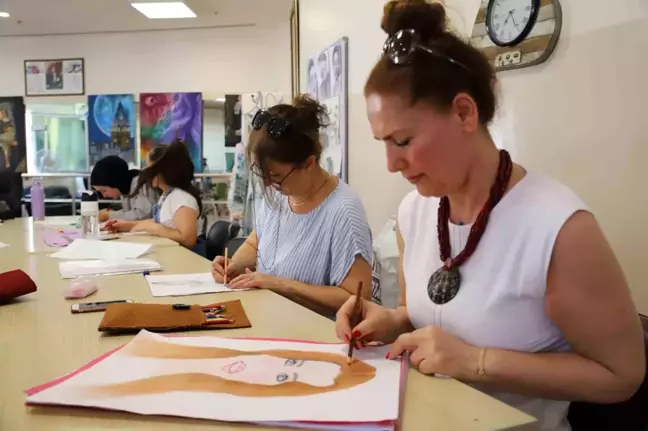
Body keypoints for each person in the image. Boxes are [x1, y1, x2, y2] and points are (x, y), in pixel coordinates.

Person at [335, 1, 645, 430]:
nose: (391, 163)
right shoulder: (415, 212)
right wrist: (391, 320)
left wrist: (476, 361)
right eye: (382, 142)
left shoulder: (558, 228)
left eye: (402, 140)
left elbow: (622, 377)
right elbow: (419, 311)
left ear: (464, 112)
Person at [211, 95, 373, 318]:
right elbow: (257, 242)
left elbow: (357, 299)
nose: (268, 184)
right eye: (262, 175)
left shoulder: (343, 211)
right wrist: (233, 266)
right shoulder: (280, 195)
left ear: (308, 163)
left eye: (276, 177)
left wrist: (282, 285)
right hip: (273, 321)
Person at [80, 331, 375, 398]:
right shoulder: (276, 203)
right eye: (290, 361)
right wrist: (233, 263)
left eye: (286, 376)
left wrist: (273, 281)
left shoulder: (342, 212)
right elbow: (251, 247)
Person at [109, 141, 206, 255]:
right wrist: (127, 225)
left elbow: (188, 239)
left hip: (186, 258)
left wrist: (154, 228)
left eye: (149, 169)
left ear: (163, 172)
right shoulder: (167, 195)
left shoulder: (182, 199)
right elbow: (162, 221)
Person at [90, 155, 158, 222]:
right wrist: (111, 214)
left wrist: (109, 215)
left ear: (114, 181)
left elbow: (143, 215)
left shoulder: (142, 183)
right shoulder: (124, 190)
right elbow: (129, 212)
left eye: (104, 190)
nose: (104, 196)